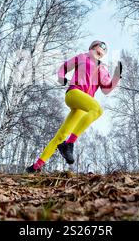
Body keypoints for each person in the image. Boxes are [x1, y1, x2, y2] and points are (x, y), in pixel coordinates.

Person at [26, 40, 122, 173]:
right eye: (99, 48)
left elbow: (106, 89)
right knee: (98, 110)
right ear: (92, 47)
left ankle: (35, 167)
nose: (101, 51)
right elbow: (63, 68)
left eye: (104, 51)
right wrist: (61, 78)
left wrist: (117, 77)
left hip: (84, 105)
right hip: (74, 93)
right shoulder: (82, 57)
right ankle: (69, 143)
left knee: (60, 136)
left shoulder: (103, 69)